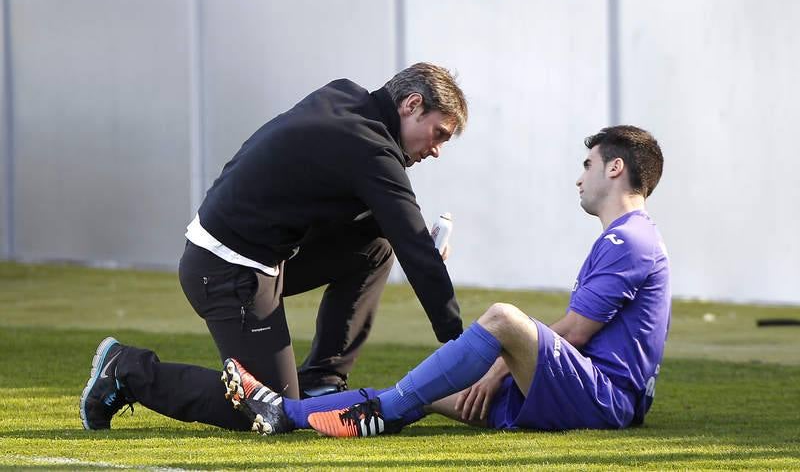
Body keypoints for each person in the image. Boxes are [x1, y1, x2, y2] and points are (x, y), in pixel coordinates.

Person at [79, 63, 469, 431]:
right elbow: (414, 245)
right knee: (276, 411)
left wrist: (411, 240)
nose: (436, 150)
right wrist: (463, 350)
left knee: (378, 245)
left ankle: (322, 380)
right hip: (224, 270)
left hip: (252, 256)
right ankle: (127, 370)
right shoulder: (372, 150)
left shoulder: (345, 96)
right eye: (439, 135)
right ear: (412, 104)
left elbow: (354, 207)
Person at [217, 125, 670, 436]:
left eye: (588, 165)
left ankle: (382, 412)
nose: (579, 178)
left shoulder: (630, 239)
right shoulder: (626, 238)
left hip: (603, 401)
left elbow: (575, 331)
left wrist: (498, 370)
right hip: (581, 393)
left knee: (503, 318)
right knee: (427, 391)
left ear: (615, 169)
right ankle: (286, 413)